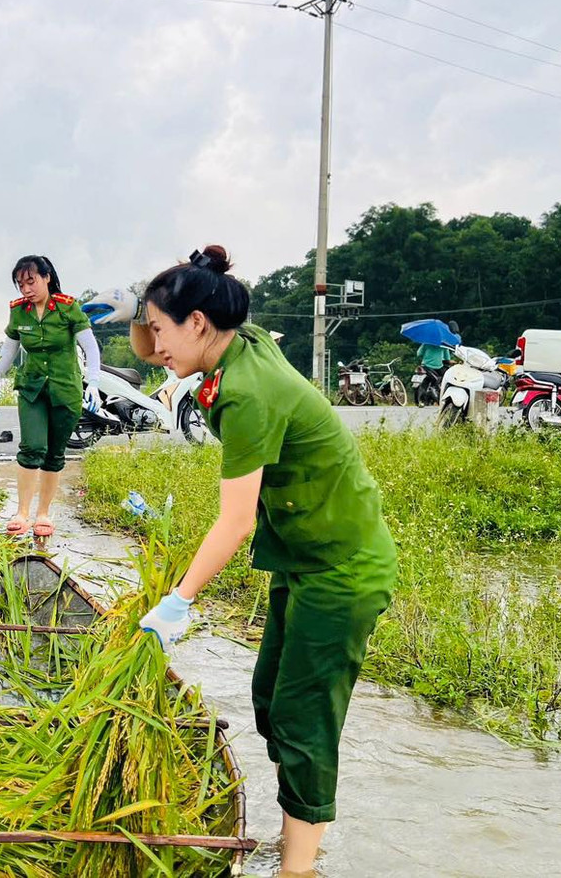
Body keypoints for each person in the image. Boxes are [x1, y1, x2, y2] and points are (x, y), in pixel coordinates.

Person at [123, 245, 397, 878]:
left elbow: (235, 520)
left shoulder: (248, 393)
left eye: (159, 329)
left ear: (197, 323)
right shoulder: (238, 343)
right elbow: (178, 344)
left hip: (342, 568)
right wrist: (152, 317)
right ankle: (298, 834)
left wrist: (178, 601)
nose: (153, 345)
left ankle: (297, 869)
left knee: (304, 717)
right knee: (271, 698)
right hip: (304, 556)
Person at [0, 256, 102, 539]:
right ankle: (22, 512)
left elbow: (90, 347)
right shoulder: (18, 312)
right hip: (32, 389)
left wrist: (94, 383)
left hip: (65, 389)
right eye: (20, 284)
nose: (26, 289)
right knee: (32, 447)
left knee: (54, 453)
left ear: (47, 277)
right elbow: (9, 351)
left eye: (31, 281)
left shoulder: (67, 307)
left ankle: (43, 514)